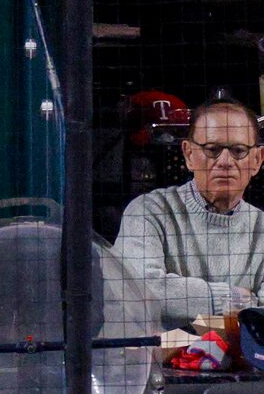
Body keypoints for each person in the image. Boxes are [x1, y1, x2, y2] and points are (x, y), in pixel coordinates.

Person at [110, 99, 264, 327]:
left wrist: (181, 299)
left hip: (243, 362)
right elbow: (138, 290)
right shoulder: (147, 212)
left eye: (238, 150)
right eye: (212, 149)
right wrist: (237, 300)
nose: (225, 161)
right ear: (189, 154)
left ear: (257, 160)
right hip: (156, 360)